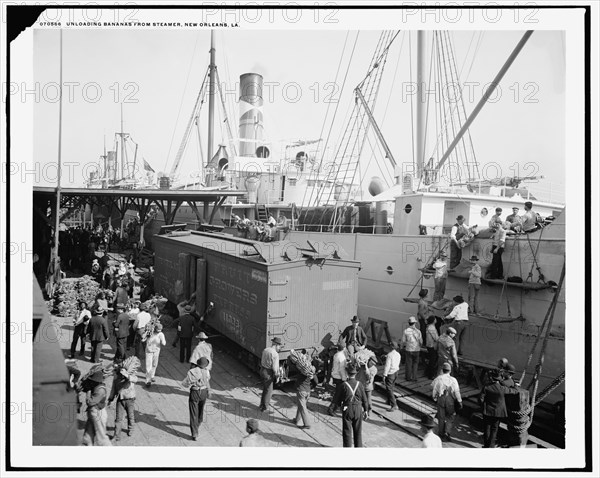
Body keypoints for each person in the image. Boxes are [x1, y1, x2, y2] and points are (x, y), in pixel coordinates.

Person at [330, 364, 370, 447]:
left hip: (347, 409)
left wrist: (333, 409)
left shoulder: (343, 385)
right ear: (356, 373)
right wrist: (366, 410)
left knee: (347, 432)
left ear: (347, 373)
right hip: (358, 409)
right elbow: (365, 399)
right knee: (358, 431)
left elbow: (336, 400)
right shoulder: (360, 384)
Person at [480, 368, 519, 448]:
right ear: (500, 378)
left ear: (492, 377)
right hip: (498, 412)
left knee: (487, 428)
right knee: (494, 429)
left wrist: (483, 406)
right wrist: (515, 385)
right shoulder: (503, 388)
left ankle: (486, 445)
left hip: (487, 411)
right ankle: (491, 446)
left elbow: (480, 399)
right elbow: (515, 391)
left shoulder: (486, 387)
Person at [108, 358, 138, 441]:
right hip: (120, 399)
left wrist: (127, 375)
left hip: (130, 399)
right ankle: (116, 435)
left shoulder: (129, 373)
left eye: (116, 365)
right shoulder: (116, 375)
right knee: (118, 418)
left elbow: (135, 379)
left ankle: (131, 429)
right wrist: (110, 399)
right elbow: (113, 388)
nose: (115, 366)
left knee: (130, 416)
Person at [431, 362, 463, 442]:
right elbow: (457, 392)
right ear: (450, 371)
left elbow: (434, 389)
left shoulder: (438, 378)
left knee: (441, 417)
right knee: (450, 417)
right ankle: (447, 432)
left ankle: (441, 433)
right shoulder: (453, 380)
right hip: (450, 400)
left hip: (441, 399)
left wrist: (435, 398)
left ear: (442, 370)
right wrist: (460, 401)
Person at [182, 357, 211, 441]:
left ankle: (194, 433)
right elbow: (207, 381)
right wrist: (209, 391)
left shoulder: (192, 372)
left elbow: (185, 384)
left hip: (194, 392)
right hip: (204, 392)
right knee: (200, 410)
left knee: (193, 413)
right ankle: (198, 423)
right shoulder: (207, 372)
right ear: (205, 365)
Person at [80, 369, 111, 446]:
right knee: (88, 436)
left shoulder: (100, 390)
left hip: (98, 413)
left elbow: (90, 402)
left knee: (102, 437)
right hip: (93, 412)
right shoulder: (96, 385)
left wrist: (88, 392)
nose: (91, 381)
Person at [259, 337, 283, 412]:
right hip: (268, 373)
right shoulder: (275, 354)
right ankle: (265, 407)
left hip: (262, 370)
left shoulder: (265, 350)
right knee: (269, 390)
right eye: (279, 346)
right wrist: (277, 376)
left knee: (265, 388)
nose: (279, 348)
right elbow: (275, 368)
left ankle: (261, 404)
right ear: (276, 345)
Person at [292, 362, 317, 429]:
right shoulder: (311, 373)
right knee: (301, 405)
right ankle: (296, 420)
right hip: (308, 392)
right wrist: (312, 387)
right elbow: (316, 382)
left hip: (301, 391)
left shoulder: (301, 372)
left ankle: (307, 424)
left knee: (303, 408)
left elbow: (292, 365)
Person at [327, 344, 348, 415]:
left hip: (335, 376)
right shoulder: (342, 357)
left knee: (338, 393)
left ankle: (336, 408)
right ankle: (331, 409)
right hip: (340, 378)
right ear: (344, 348)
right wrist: (344, 378)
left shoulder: (336, 354)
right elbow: (341, 369)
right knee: (338, 394)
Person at [401, 317, 423, 382]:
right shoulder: (418, 331)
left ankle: (408, 377)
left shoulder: (406, 331)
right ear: (415, 323)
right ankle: (414, 377)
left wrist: (402, 348)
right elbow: (421, 342)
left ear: (409, 323)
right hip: (416, 350)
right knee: (415, 364)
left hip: (409, 349)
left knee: (408, 364)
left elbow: (403, 341)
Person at [383, 341, 401, 411]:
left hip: (390, 373)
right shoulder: (398, 354)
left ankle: (394, 405)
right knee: (391, 387)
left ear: (391, 347)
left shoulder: (390, 355)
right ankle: (389, 401)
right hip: (396, 372)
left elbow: (387, 366)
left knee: (389, 388)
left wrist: (384, 375)